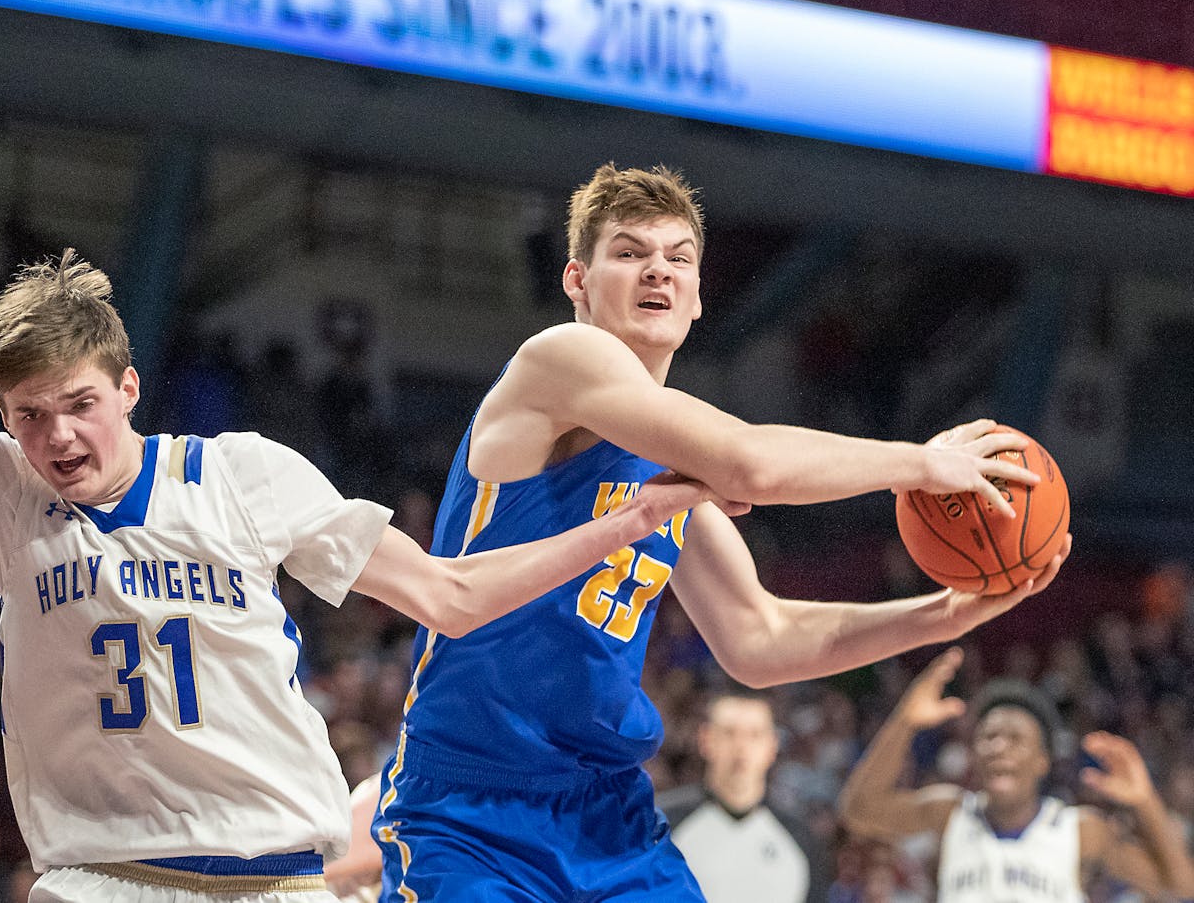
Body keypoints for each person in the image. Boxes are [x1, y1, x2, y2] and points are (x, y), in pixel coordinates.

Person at [0, 0, 711, 902]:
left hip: (279, 881)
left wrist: (617, 528)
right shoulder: (0, 491)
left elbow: (447, 593)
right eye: (29, 417)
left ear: (128, 388)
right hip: (98, 879)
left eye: (78, 404)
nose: (59, 436)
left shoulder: (239, 474)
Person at [373, 161, 1072, 902]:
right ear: (577, 279)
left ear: (700, 295)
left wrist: (943, 613)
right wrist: (921, 464)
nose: (658, 271)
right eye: (629, 252)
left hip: (605, 811)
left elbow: (760, 637)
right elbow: (749, 464)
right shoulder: (560, 359)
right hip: (473, 803)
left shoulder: (674, 466)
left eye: (678, 257)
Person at [838, 647, 1194, 901]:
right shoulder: (950, 813)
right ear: (974, 753)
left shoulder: (1079, 829)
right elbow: (857, 810)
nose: (999, 747)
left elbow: (1181, 886)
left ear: (1042, 761)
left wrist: (1146, 799)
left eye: (1016, 739)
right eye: (989, 737)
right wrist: (905, 721)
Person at [656, 694, 822, 903]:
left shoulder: (801, 835)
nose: (741, 747)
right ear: (706, 739)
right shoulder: (662, 824)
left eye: (754, 734)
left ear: (772, 746)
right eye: (729, 733)